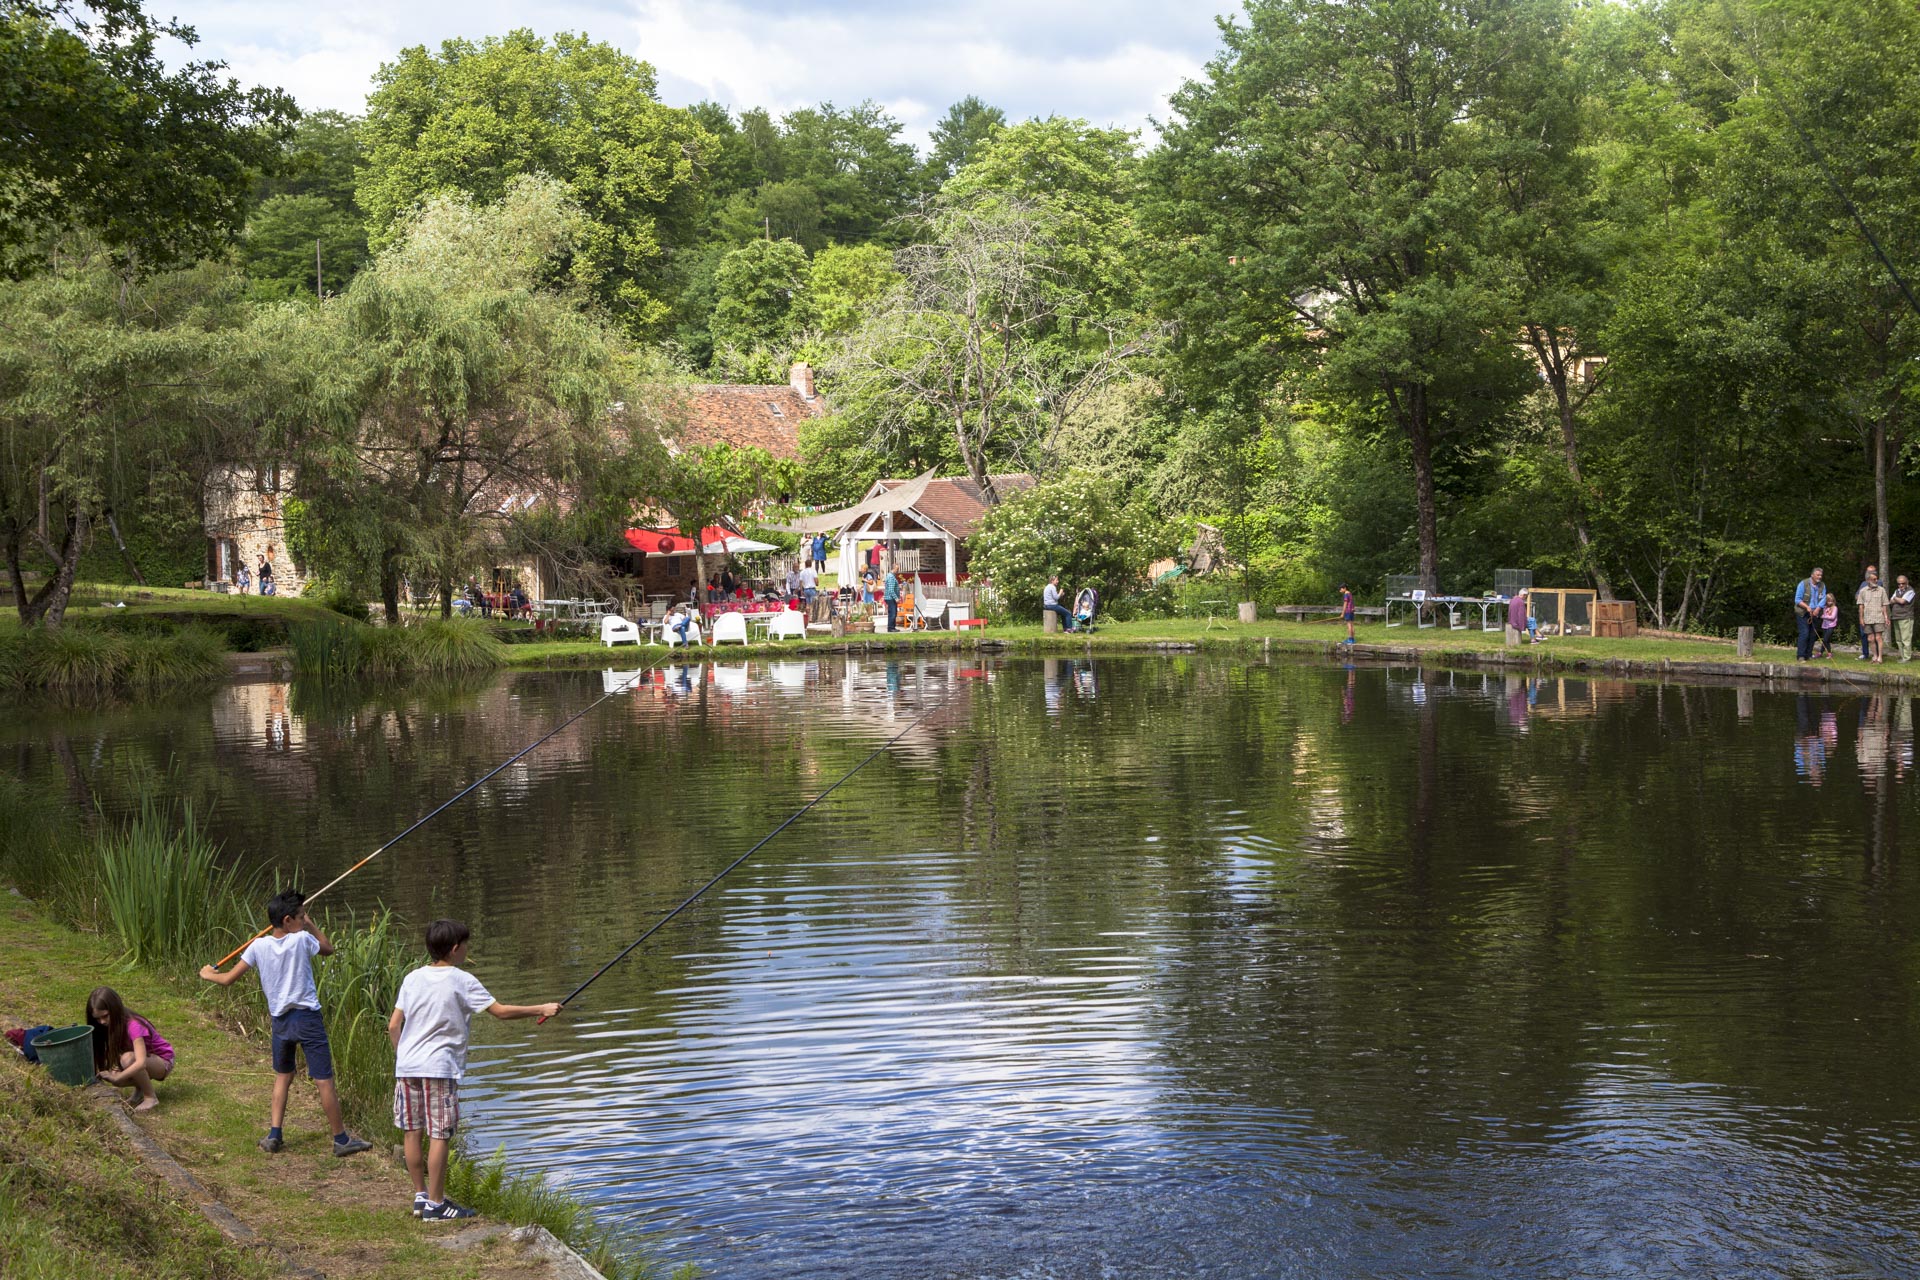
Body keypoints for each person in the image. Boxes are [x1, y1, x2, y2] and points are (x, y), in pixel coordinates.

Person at [389, 919, 560, 1222]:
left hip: (407, 1065)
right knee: (440, 1134)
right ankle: (437, 1205)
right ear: (455, 949)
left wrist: (403, 1057)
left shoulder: (412, 978)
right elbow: (501, 1012)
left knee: (411, 1131)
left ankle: (420, 1196)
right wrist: (541, 1008)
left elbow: (393, 1025)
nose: (467, 949)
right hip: (438, 1068)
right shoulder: (462, 980)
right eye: (465, 945)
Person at [200, 889, 374, 1157]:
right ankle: (341, 1140)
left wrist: (207, 974)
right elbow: (328, 949)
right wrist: (314, 927)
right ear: (288, 920)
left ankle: (274, 1135)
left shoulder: (258, 946)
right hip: (307, 1019)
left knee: (283, 1076)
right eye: (302, 917)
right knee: (324, 1081)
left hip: (280, 1022)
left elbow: (226, 979)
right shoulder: (303, 939)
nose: (305, 920)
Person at [86, 986, 173, 1112]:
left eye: (105, 1016)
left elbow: (140, 1062)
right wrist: (115, 1074)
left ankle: (150, 1097)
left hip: (163, 1061)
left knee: (129, 1060)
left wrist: (119, 1077)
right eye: (97, 1019)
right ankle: (140, 1090)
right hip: (145, 1059)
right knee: (116, 1072)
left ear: (115, 1009)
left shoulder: (134, 1025)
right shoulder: (110, 1025)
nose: (102, 1022)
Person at [1793, 568, 1827, 662]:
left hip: (1815, 613)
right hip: (1803, 613)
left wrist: (1818, 608)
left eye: (1821, 575)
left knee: (1812, 635)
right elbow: (1797, 599)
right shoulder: (1803, 584)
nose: (1819, 577)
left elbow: (1824, 598)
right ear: (1812, 575)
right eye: (1817, 575)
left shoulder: (1822, 585)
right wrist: (1807, 607)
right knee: (1804, 633)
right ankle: (1801, 656)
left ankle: (1808, 655)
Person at [1858, 566, 1889, 664]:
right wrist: (1861, 619)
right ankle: (1874, 656)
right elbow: (1861, 607)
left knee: (1878, 637)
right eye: (1874, 579)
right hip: (1867, 618)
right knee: (1870, 638)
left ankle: (1880, 657)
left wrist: (1886, 617)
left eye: (1876, 579)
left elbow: (1884, 605)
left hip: (1879, 617)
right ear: (1868, 580)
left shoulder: (1881, 590)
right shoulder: (1863, 591)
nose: (1876, 581)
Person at [1890, 574, 1915, 662]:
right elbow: (1890, 601)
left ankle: (1907, 658)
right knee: (1898, 639)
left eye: (1903, 583)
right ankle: (1902, 656)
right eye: (1899, 584)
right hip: (1896, 617)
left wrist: (1896, 599)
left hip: (1906, 617)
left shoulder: (1910, 591)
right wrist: (1897, 599)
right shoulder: (1897, 591)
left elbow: (1902, 601)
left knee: (1906, 639)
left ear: (1907, 582)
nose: (1901, 585)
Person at [1858, 565, 1878, 660]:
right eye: (1868, 571)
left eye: (1872, 572)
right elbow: (1857, 596)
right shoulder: (1863, 583)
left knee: (1875, 635)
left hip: (1874, 614)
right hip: (1864, 612)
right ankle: (1865, 654)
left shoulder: (1879, 582)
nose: (1869, 573)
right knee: (1863, 634)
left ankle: (1876, 654)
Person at [883, 565, 900, 632]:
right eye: (897, 569)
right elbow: (891, 590)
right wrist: (896, 598)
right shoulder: (891, 577)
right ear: (893, 569)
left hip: (890, 597)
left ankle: (892, 627)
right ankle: (891, 628)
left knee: (893, 612)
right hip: (890, 598)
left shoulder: (892, 576)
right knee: (893, 613)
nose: (898, 570)